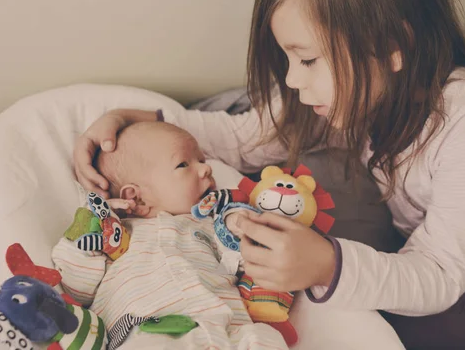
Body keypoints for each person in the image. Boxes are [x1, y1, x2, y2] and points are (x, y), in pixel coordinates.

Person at [73, 0, 465, 348]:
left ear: (391, 47)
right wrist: (134, 124)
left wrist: (328, 266)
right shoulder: (358, 95)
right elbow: (243, 136)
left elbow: (440, 273)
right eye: (289, 60)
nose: (293, 81)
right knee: (393, 311)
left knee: (406, 312)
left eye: (308, 60)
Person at [53, 121, 288, 349]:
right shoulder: (116, 236)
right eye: (184, 164)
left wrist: (240, 228)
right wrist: (93, 228)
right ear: (137, 197)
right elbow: (76, 289)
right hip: (146, 330)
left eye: (202, 160)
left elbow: (248, 263)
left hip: (225, 330)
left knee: (266, 337)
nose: (206, 168)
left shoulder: (211, 226)